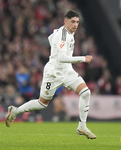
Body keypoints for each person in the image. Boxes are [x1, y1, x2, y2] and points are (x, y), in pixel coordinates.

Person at [5, 10, 96, 139]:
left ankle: (82, 126)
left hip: (67, 71)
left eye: (77, 22)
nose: (75, 24)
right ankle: (15, 111)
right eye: (72, 22)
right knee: (42, 103)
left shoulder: (68, 33)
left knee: (86, 92)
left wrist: (54, 45)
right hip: (53, 74)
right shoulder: (63, 35)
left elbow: (51, 38)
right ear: (65, 22)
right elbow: (62, 57)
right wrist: (83, 58)